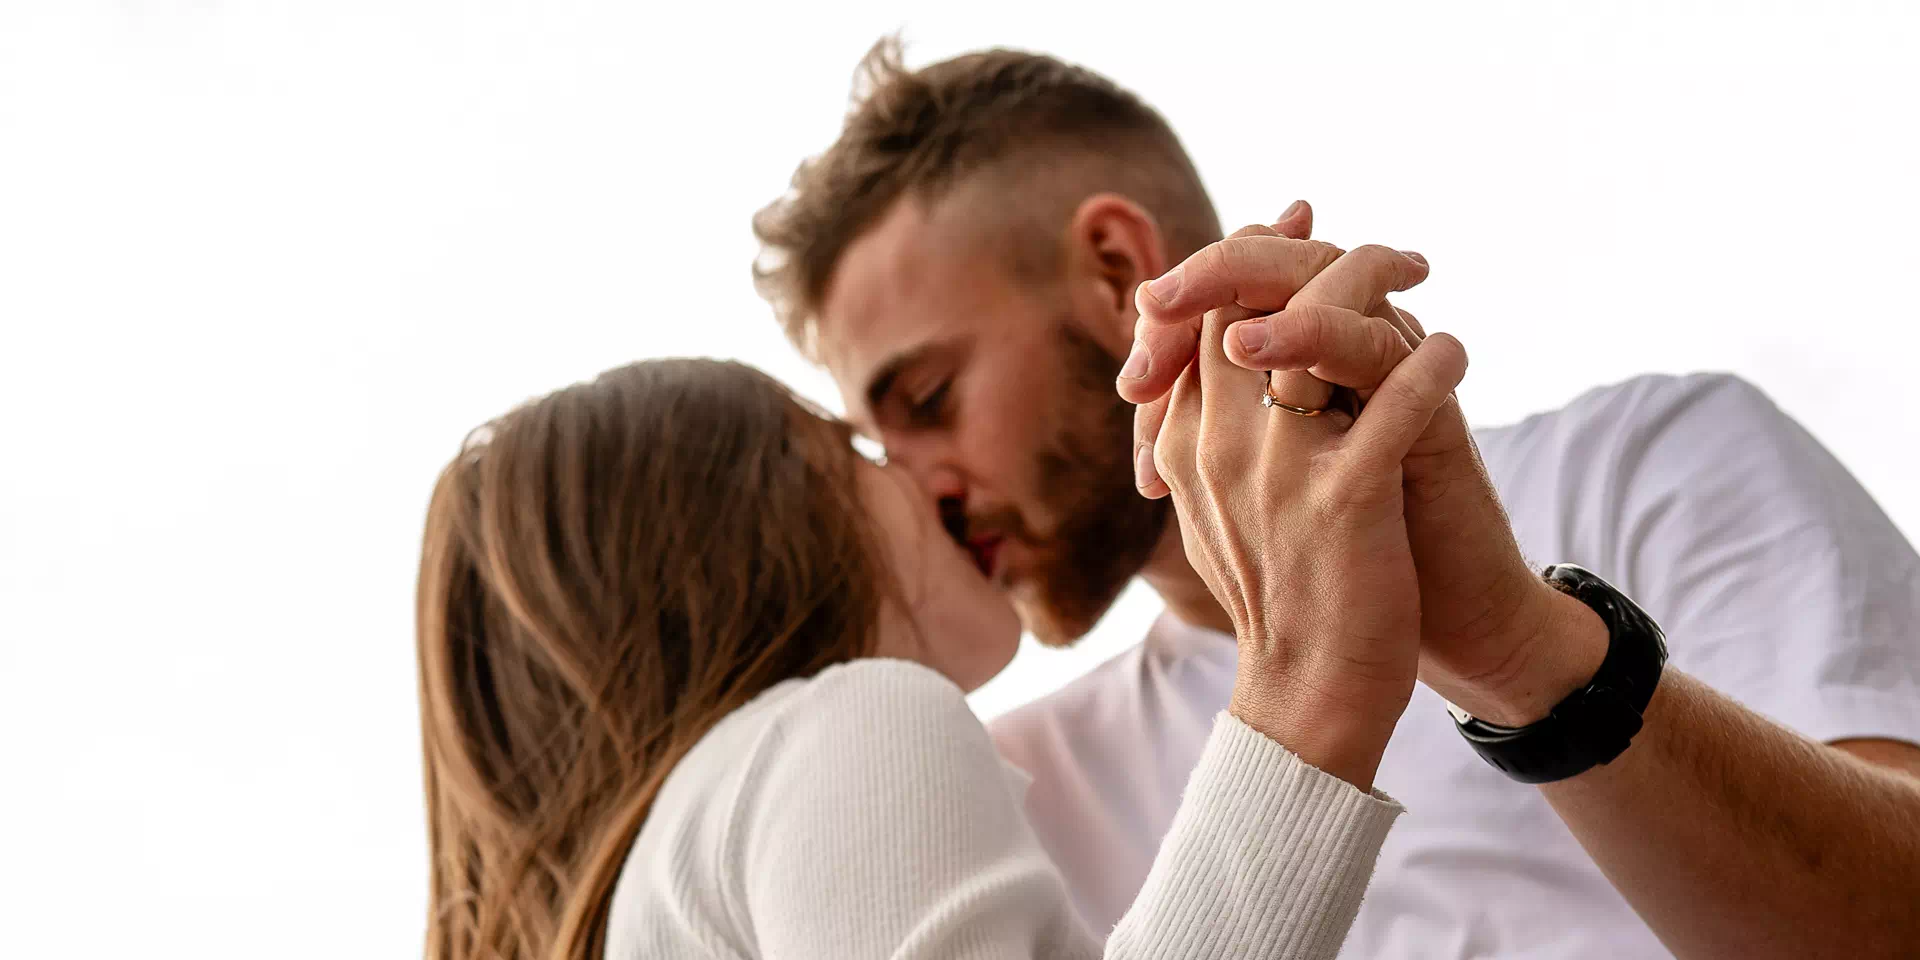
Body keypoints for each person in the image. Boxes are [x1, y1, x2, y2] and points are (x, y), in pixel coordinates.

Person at [750, 39, 1920, 957]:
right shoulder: (1006, 791)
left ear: (1115, 272)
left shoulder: (1648, 461)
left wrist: (1519, 649)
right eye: (880, 444)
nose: (920, 488)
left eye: (930, 398)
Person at [412, 356, 1467, 959]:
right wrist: (1313, 678)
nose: (931, 481)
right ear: (766, 517)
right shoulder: (844, 726)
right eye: (855, 448)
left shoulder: (674, 864)